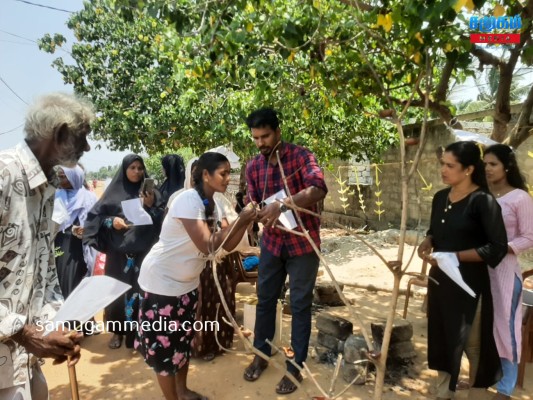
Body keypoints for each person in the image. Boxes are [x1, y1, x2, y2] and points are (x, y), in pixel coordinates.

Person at [136, 152, 256, 400]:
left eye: (229, 173)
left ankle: (183, 391)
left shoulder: (216, 203)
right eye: (223, 173)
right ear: (205, 175)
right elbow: (207, 245)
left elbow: (228, 244)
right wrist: (241, 220)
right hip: (162, 284)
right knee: (165, 349)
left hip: (186, 284)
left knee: (182, 343)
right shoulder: (187, 200)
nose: (227, 178)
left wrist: (245, 222)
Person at [0, 92, 94, 399]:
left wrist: (56, 328)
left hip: (23, 363)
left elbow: (44, 270)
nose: (88, 148)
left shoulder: (47, 187)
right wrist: (25, 334)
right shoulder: (4, 175)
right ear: (61, 134)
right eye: (83, 138)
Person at [242, 108, 327, 395]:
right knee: (265, 300)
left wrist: (284, 204)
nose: (261, 143)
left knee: (300, 305)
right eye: (256, 138)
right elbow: (253, 201)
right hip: (272, 243)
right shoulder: (253, 167)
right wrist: (255, 211)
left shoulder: (302, 157)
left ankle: (295, 367)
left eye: (265, 136)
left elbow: (318, 188)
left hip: (303, 243)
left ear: (278, 132)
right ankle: (262, 354)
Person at [417, 141, 508, 400]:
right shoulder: (440, 198)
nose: (443, 170)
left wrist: (455, 256)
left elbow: (497, 248)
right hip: (440, 282)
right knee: (442, 336)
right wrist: (428, 241)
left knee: (473, 343)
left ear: (468, 169)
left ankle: (478, 394)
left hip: (469, 285)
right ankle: (443, 393)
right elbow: (436, 231)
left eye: (450, 165)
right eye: (442, 164)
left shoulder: (483, 202)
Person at [83, 154, 164, 349]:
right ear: (124, 169)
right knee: (117, 294)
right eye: (132, 167)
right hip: (119, 256)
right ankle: (117, 333)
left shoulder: (152, 193)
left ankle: (141, 333)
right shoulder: (112, 193)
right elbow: (97, 217)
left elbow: (163, 219)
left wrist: (151, 205)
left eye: (140, 168)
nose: (137, 171)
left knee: (142, 293)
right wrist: (113, 222)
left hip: (144, 254)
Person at [483, 144, 533, 400]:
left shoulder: (520, 198)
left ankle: (506, 388)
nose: (487, 168)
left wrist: (503, 249)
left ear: (507, 166)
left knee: (507, 329)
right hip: (480, 272)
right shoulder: (482, 196)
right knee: (482, 328)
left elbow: (529, 237)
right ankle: (481, 378)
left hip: (504, 274)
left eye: (493, 164)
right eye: (485, 164)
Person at [54, 165, 98, 298]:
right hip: (61, 247)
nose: (59, 180)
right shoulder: (55, 197)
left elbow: (97, 223)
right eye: (59, 177)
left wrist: (86, 230)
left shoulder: (90, 198)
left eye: (63, 177)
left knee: (79, 285)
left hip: (81, 250)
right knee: (62, 282)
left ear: (75, 178)